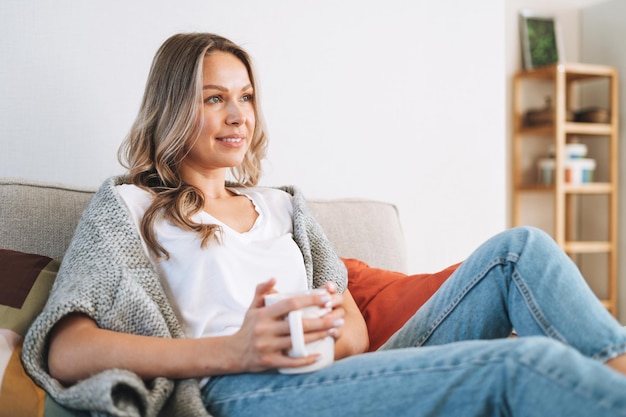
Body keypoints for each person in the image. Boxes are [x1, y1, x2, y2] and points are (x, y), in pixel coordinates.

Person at [22, 32, 626, 417]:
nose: (238, 115)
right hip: (235, 391)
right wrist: (235, 351)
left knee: (520, 250)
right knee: (513, 367)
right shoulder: (127, 209)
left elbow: (356, 337)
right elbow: (67, 349)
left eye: (246, 97)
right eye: (213, 99)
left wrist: (318, 339)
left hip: (337, 372)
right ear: (173, 106)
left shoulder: (284, 207)